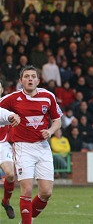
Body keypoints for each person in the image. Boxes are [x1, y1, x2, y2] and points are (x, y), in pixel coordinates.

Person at [0, 65, 63, 224]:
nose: (30, 79)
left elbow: (57, 120)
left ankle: (26, 220)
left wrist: (50, 131)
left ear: (38, 80)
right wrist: (10, 117)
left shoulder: (48, 96)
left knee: (46, 192)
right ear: (21, 81)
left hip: (43, 147)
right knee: (27, 189)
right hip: (22, 147)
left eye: (33, 76)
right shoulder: (13, 98)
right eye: (26, 76)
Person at [0, 80, 21, 220]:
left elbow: (11, 116)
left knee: (10, 174)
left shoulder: (5, 106)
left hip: (2, 145)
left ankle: (6, 202)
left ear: (2, 90)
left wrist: (15, 117)